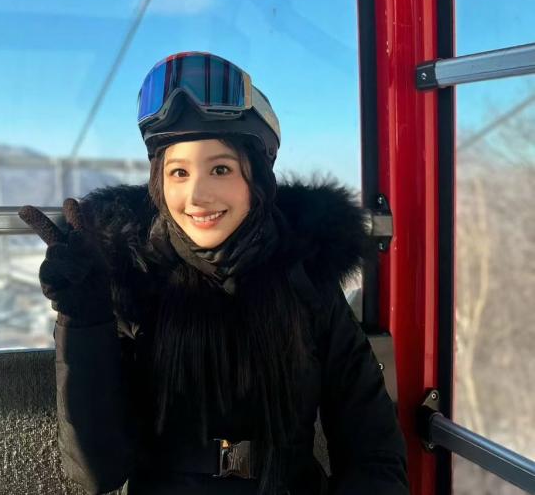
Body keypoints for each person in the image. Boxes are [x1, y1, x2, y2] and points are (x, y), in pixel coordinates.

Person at [20, 52, 409, 494]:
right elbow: (97, 471)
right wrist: (83, 319)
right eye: (178, 172)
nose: (196, 195)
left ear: (256, 180)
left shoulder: (306, 280)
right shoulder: (134, 280)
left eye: (220, 169)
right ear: (159, 184)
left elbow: (372, 450)